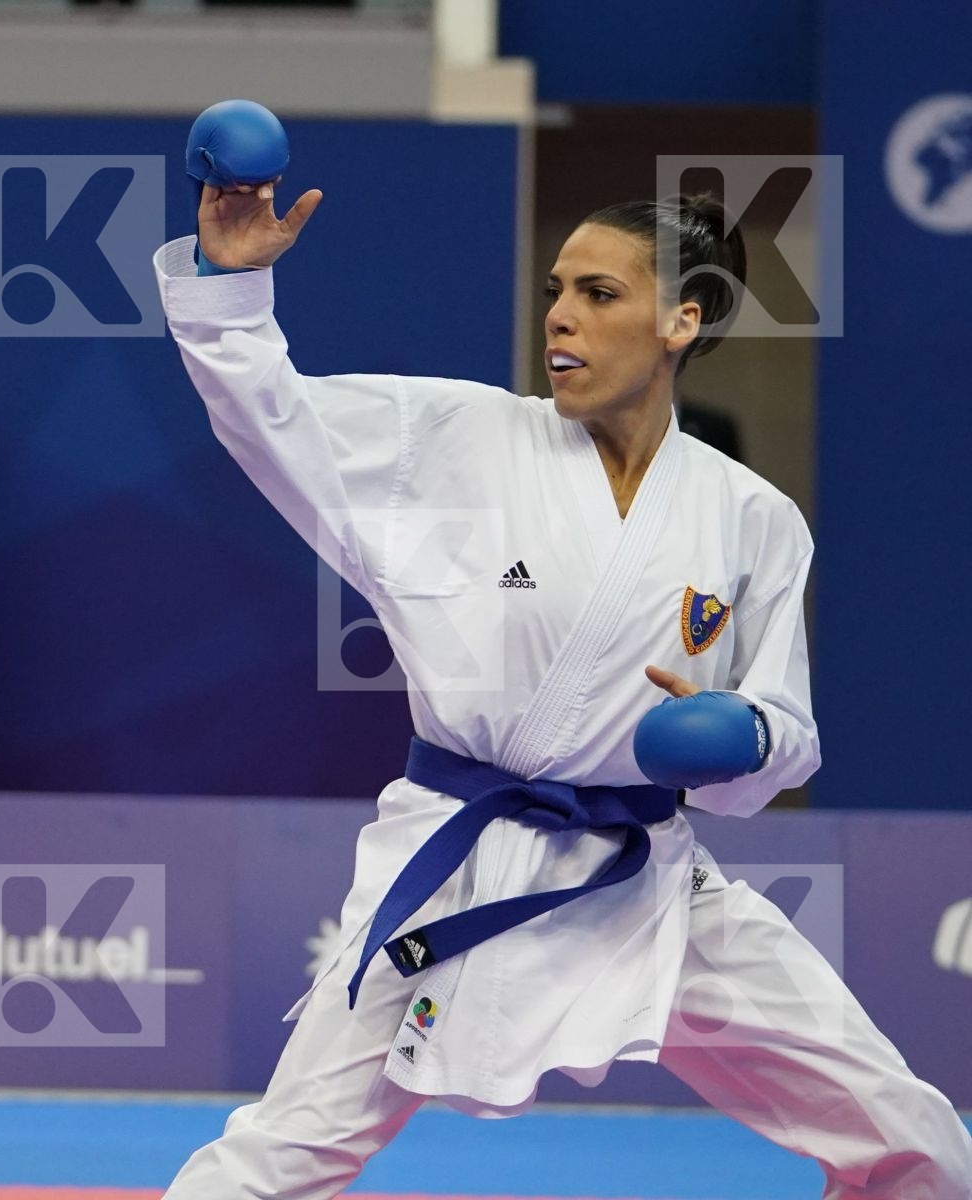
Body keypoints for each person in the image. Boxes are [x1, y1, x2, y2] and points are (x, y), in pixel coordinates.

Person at [156, 135, 972, 1195]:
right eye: (556, 290)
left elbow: (787, 733)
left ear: (683, 320)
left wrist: (747, 735)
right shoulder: (458, 442)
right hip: (463, 872)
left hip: (649, 882)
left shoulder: (750, 517)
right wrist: (232, 282)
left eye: (598, 292)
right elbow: (273, 418)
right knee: (284, 1152)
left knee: (914, 1136)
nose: (561, 315)